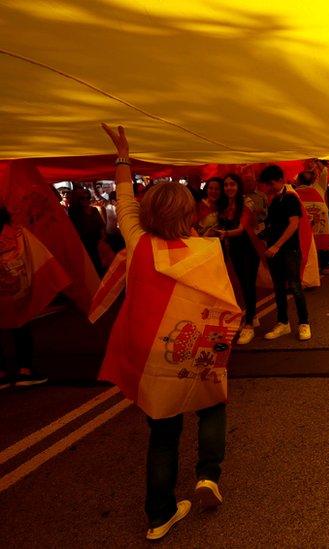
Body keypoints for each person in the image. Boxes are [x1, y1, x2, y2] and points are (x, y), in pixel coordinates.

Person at [98, 124, 240, 541]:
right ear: (190, 214)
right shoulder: (206, 249)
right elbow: (224, 304)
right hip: (197, 342)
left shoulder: (138, 242)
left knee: (163, 430)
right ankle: (207, 475)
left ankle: (159, 514)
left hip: (150, 351)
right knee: (212, 402)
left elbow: (123, 199)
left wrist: (123, 155)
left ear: (147, 214)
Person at [0, 205, 68, 389]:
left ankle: (2, 372)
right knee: (21, 327)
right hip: (18, 292)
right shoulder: (18, 234)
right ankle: (25, 370)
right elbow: (37, 255)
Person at [258, 164, 311, 341]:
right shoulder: (273, 200)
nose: (269, 187)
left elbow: (294, 224)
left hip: (289, 250)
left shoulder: (290, 198)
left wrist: (277, 245)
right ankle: (283, 323)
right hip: (275, 251)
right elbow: (274, 225)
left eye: (271, 183)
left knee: (295, 287)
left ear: (281, 180)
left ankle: (304, 324)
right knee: (279, 288)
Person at [215, 173, 262, 346]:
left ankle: (249, 324)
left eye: (232, 184)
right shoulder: (223, 205)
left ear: (238, 186)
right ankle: (253, 315)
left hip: (250, 248)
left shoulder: (246, 203)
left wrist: (225, 234)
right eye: (226, 185)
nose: (229, 188)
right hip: (233, 249)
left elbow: (241, 229)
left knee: (248, 284)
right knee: (242, 284)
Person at [67, 187, 107, 275]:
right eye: (82, 198)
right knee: (95, 270)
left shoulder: (94, 210)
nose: (86, 200)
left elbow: (102, 226)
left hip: (99, 243)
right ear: (77, 200)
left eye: (87, 197)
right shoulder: (74, 213)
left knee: (104, 268)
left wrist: (102, 240)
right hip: (86, 246)